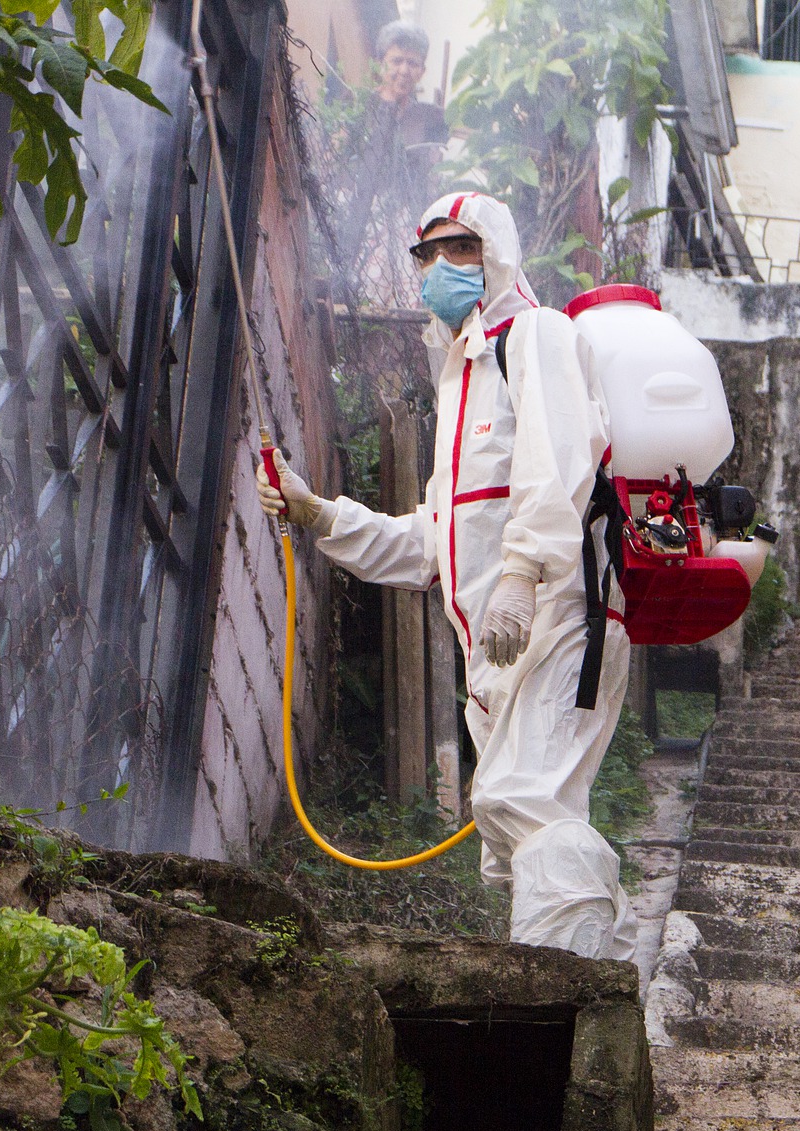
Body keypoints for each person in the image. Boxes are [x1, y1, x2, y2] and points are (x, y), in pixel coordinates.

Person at [256, 192, 638, 964]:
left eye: (457, 248)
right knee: (511, 838)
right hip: (494, 652)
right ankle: (589, 976)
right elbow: (430, 544)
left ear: (494, 252)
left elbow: (556, 466)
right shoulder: (458, 383)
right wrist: (320, 515)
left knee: (522, 799)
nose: (438, 267)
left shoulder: (536, 336)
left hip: (565, 618)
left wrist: (522, 576)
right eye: (425, 254)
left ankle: (569, 998)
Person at [337, 22, 449, 308]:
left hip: (406, 219)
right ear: (380, 63)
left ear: (422, 70)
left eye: (412, 63)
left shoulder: (429, 118)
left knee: (407, 299)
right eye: (396, 60)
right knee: (363, 297)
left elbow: (432, 173)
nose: (404, 70)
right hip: (361, 215)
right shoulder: (357, 105)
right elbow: (339, 160)